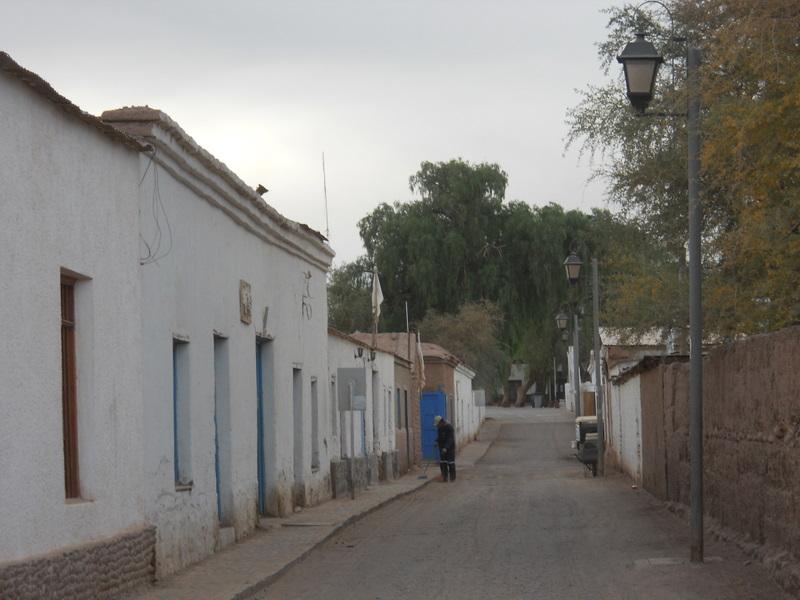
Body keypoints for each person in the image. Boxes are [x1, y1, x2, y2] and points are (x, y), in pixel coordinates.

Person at [434, 415, 456, 482]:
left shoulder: (449, 427)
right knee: (443, 462)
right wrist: (436, 441)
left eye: (438, 424)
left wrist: (446, 447)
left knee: (450, 462)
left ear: (441, 422)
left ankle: (452, 477)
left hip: (450, 448)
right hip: (442, 447)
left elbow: (450, 439)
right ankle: (444, 477)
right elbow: (440, 437)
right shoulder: (439, 428)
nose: (437, 426)